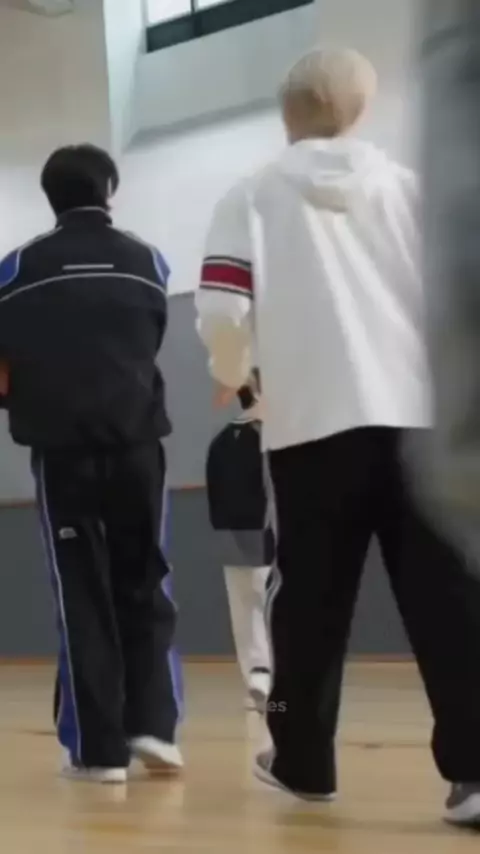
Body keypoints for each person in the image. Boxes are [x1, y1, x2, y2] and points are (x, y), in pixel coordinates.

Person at [195, 48, 480, 828]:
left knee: (306, 607)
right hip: (421, 419)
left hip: (311, 428)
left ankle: (301, 758)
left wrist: (238, 374)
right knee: (451, 598)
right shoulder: (413, 191)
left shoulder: (249, 196)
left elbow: (220, 310)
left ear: (285, 114)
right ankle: (475, 771)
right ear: (363, 109)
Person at [0, 144, 183, 783]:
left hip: (62, 454)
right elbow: (152, 336)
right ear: (110, 189)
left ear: (49, 196)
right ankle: (154, 727)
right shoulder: (148, 260)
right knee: (144, 581)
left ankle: (99, 752)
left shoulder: (14, 268)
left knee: (81, 592)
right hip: (139, 447)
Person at [206, 371, 271, 712]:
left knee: (245, 616)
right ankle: (272, 686)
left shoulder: (219, 443)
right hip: (266, 537)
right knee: (270, 612)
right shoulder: (269, 439)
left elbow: (214, 499)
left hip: (230, 538)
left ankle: (256, 681)